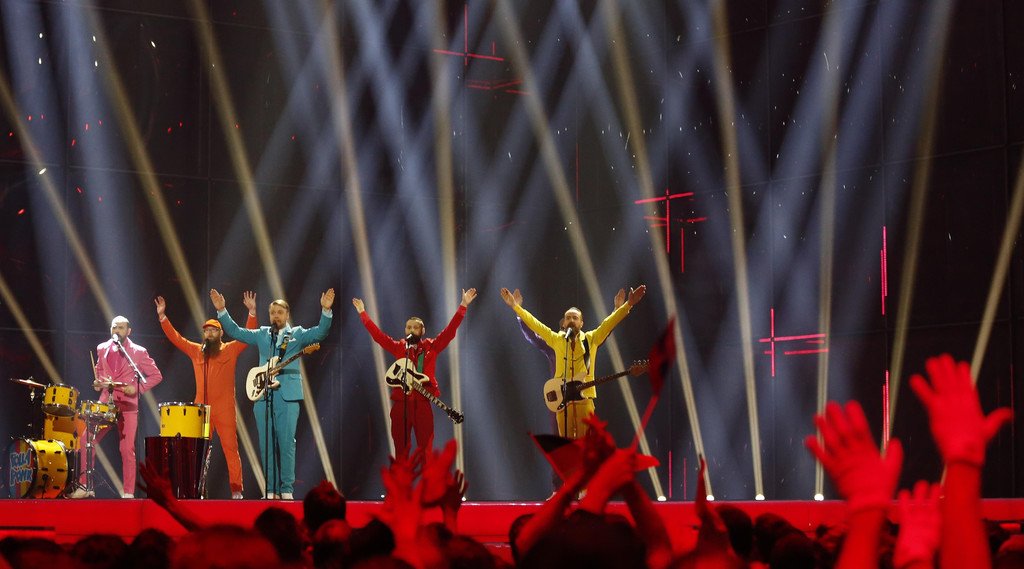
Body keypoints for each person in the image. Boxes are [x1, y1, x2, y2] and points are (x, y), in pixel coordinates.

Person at [210, 287, 335, 500]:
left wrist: (325, 310)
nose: (276, 316)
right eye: (272, 313)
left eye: (280, 312)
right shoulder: (262, 334)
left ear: (287, 314)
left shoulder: (297, 334)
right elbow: (236, 332)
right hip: (263, 395)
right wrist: (222, 310)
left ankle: (286, 489)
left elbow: (320, 333)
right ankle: (271, 489)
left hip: (288, 395)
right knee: (266, 444)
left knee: (286, 444)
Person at [499, 285, 645, 440]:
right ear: (563, 323)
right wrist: (516, 307)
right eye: (568, 318)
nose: (571, 320)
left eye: (575, 318)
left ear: (581, 323)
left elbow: (608, 324)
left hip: (584, 401)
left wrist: (628, 304)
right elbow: (535, 325)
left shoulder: (591, 339)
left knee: (585, 446)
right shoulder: (556, 339)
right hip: (563, 402)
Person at [155, 292, 259, 499]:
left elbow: (247, 335)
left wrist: (252, 313)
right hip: (201, 409)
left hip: (225, 408)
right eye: (206, 331)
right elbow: (177, 339)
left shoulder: (230, 349)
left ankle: (236, 489)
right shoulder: (197, 351)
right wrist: (162, 317)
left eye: (213, 330)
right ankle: (195, 488)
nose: (209, 333)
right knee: (197, 450)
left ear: (221, 333)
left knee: (231, 449)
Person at [352, 288, 477, 459]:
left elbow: (450, 332)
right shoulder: (399, 347)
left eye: (415, 327)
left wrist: (463, 306)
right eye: (408, 327)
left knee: (426, 450)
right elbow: (379, 337)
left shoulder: (431, 347)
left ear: (422, 331)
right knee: (401, 450)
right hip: (401, 404)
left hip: (423, 404)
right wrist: (363, 313)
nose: (411, 330)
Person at [73, 315, 164, 498]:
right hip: (107, 402)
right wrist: (98, 382)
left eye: (121, 328)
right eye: (114, 327)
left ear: (128, 331)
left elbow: (156, 375)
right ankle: (85, 486)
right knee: (86, 440)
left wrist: (137, 388)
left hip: (128, 403)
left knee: (126, 448)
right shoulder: (102, 348)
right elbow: (99, 370)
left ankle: (128, 492)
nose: (117, 331)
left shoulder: (138, 352)